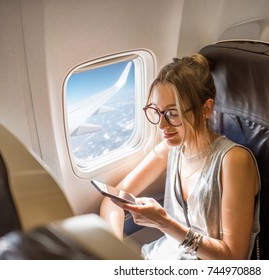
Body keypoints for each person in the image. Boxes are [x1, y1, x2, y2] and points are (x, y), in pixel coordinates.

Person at [100, 54, 260, 260]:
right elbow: (113, 199)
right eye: (157, 112)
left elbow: (233, 258)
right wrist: (118, 251)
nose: (161, 126)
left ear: (206, 109)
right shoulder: (170, 149)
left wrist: (165, 222)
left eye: (172, 114)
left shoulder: (234, 161)